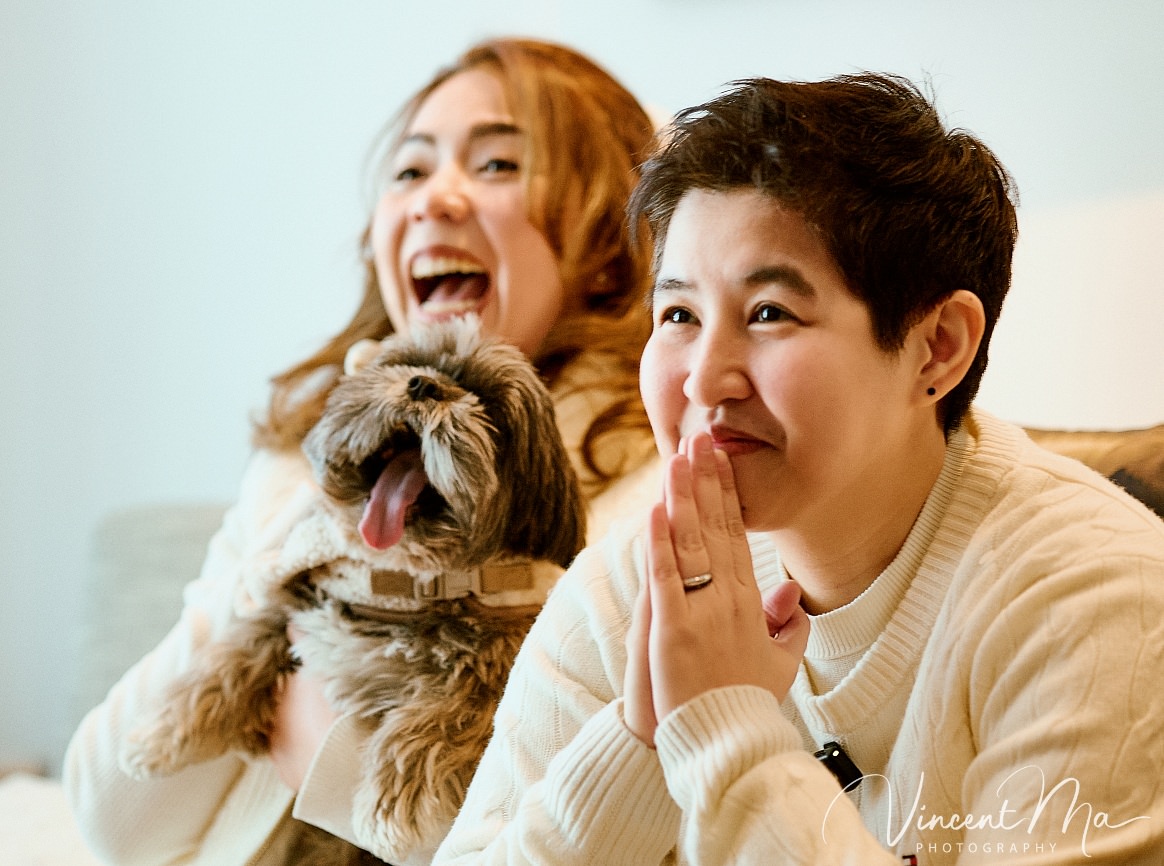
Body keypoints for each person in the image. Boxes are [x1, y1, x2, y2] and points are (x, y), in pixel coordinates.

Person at [433, 73, 1164, 865]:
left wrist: (726, 727)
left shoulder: (1094, 598)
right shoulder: (641, 588)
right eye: (678, 314)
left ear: (937, 347)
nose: (704, 379)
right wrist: (640, 738)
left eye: (769, 314)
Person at [63, 38, 661, 866]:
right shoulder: (293, 471)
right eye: (410, 172)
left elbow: (585, 840)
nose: (434, 198)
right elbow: (113, 817)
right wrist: (315, 530)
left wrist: (332, 762)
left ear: (606, 236)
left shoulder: (652, 500)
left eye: (495, 164)